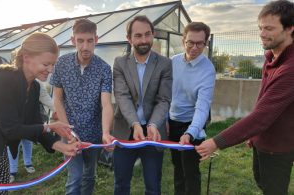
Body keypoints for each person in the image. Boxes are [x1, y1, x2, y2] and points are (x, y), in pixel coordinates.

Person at [0, 33, 80, 195]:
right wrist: (49, 127)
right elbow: (11, 129)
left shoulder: (34, 87)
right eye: (46, 64)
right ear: (26, 58)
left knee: (2, 192)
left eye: (53, 64)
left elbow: (33, 122)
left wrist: (61, 146)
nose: (51, 70)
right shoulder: (2, 79)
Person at [196, 1, 294, 195]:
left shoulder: (290, 69)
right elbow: (262, 100)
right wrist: (253, 134)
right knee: (261, 182)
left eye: (269, 28)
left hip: (279, 146)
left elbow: (262, 116)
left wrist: (216, 142)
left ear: (290, 29)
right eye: (260, 28)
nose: (262, 33)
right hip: (262, 140)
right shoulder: (271, 58)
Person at [50, 18, 113, 195]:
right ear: (73, 41)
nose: (85, 46)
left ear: (96, 40)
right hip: (70, 133)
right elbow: (57, 98)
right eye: (80, 41)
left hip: (93, 134)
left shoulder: (104, 68)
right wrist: (67, 130)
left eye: (90, 41)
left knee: (89, 176)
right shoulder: (61, 64)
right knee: (75, 177)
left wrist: (105, 132)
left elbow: (106, 104)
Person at [112, 15, 172, 195]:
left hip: (154, 131)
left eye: (147, 34)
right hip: (125, 129)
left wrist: (152, 124)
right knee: (121, 184)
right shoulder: (120, 63)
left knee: (153, 185)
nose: (144, 40)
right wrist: (135, 124)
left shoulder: (164, 64)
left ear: (153, 34)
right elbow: (122, 96)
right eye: (138, 36)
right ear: (129, 38)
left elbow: (163, 99)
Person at [168, 22, 215, 195]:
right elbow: (166, 95)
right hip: (173, 122)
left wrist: (190, 133)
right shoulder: (173, 62)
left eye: (199, 43)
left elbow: (202, 107)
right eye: (190, 42)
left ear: (205, 43)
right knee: (178, 168)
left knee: (191, 171)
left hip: (192, 123)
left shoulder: (208, 69)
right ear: (183, 41)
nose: (194, 48)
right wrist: (166, 118)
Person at [7, 80, 55, 183]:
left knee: (27, 141)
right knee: (12, 144)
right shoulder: (10, 82)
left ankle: (28, 163)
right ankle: (12, 170)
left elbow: (48, 101)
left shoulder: (37, 85)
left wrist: (59, 111)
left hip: (29, 120)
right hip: (14, 121)